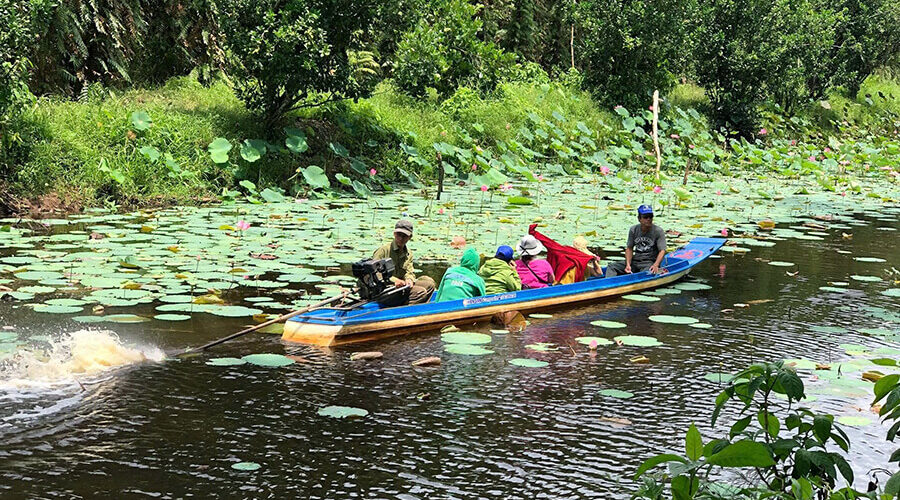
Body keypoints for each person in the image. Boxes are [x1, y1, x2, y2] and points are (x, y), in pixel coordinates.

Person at [371, 219, 436, 305]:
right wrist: (395, 281)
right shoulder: (383, 251)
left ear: (410, 237)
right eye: (399, 235)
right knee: (420, 292)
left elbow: (409, 272)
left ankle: (413, 303)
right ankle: (405, 308)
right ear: (394, 234)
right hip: (385, 289)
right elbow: (373, 273)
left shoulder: (408, 253)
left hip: (402, 287)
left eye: (404, 236)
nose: (401, 238)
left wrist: (409, 279)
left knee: (429, 283)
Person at [605, 205, 667, 277]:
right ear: (639, 219)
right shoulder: (633, 230)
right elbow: (629, 248)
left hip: (649, 262)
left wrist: (656, 265)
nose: (649, 219)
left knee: (644, 274)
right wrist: (628, 264)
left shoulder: (658, 231)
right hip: (635, 261)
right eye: (645, 217)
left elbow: (662, 250)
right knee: (612, 267)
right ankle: (609, 284)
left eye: (651, 216)